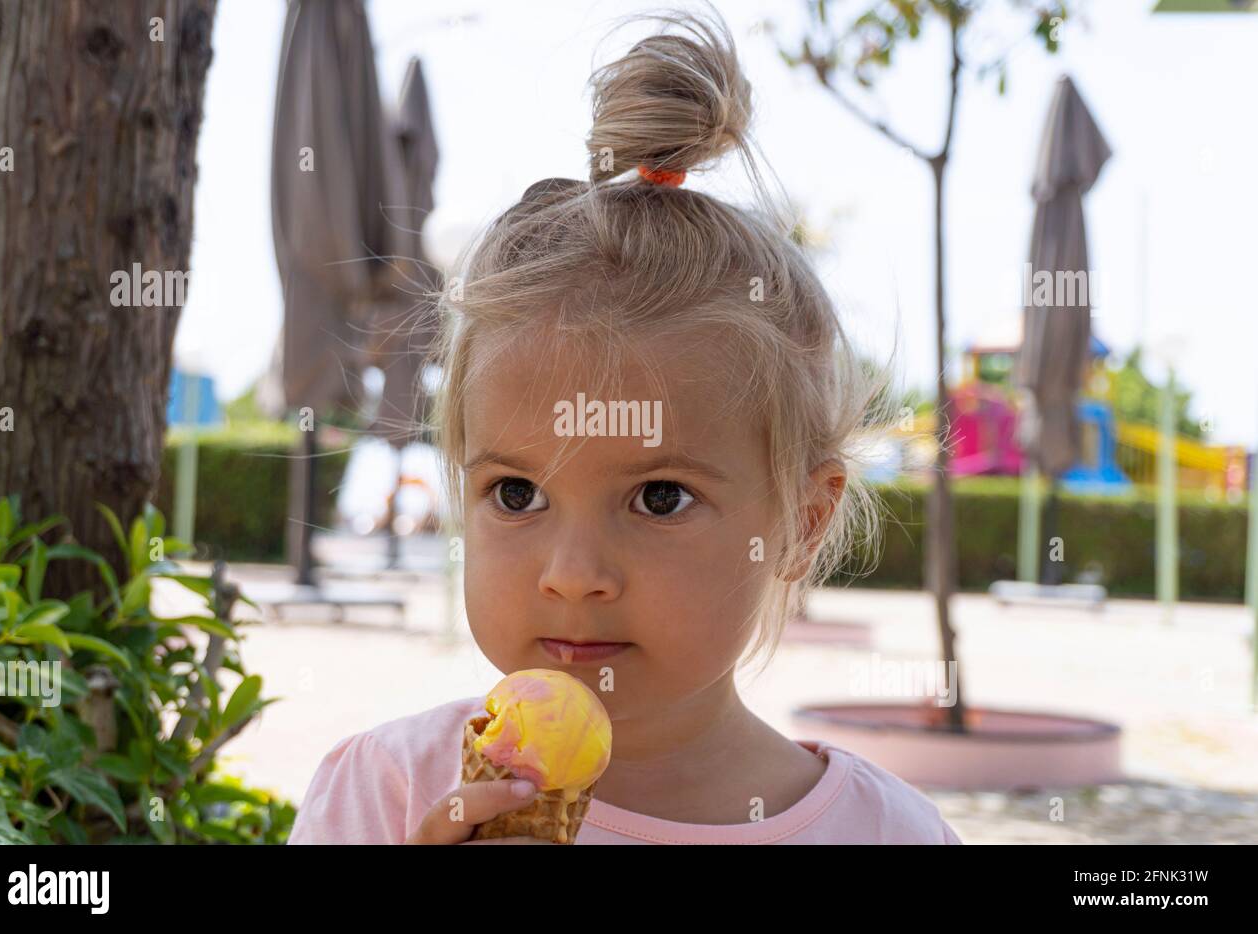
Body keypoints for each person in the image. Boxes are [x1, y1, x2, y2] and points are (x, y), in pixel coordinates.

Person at [289, 6, 961, 845]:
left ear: (804, 521)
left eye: (660, 498)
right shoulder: (384, 795)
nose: (574, 576)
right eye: (517, 491)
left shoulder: (889, 835)